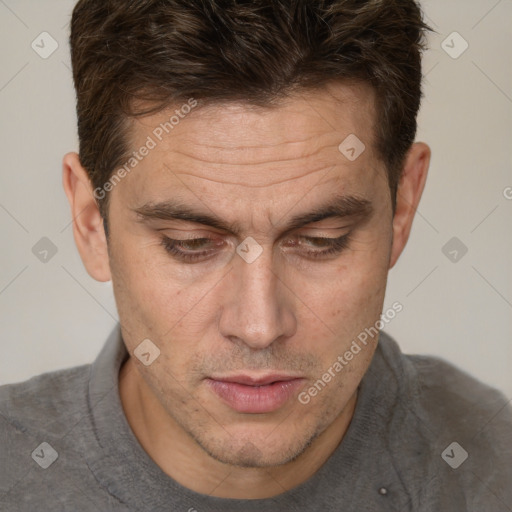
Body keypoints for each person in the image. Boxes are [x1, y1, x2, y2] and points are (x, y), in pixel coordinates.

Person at [1, 0, 511, 510]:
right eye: (191, 244)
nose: (259, 327)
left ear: (402, 208)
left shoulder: (490, 463)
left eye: (321, 240)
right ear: (92, 223)